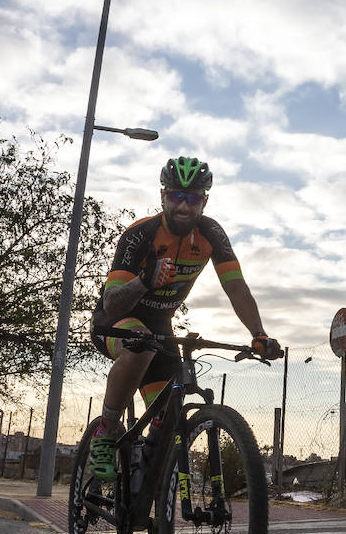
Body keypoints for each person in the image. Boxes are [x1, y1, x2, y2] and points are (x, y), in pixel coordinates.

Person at [87, 156, 281, 480]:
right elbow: (112, 302)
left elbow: (236, 287)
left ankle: (147, 491)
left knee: (167, 420)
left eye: (192, 199)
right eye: (177, 196)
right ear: (163, 196)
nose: (183, 206)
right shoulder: (140, 235)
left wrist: (259, 334)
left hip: (160, 326)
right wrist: (144, 280)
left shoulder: (211, 234)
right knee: (141, 345)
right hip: (117, 321)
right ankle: (105, 432)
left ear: (204, 202)